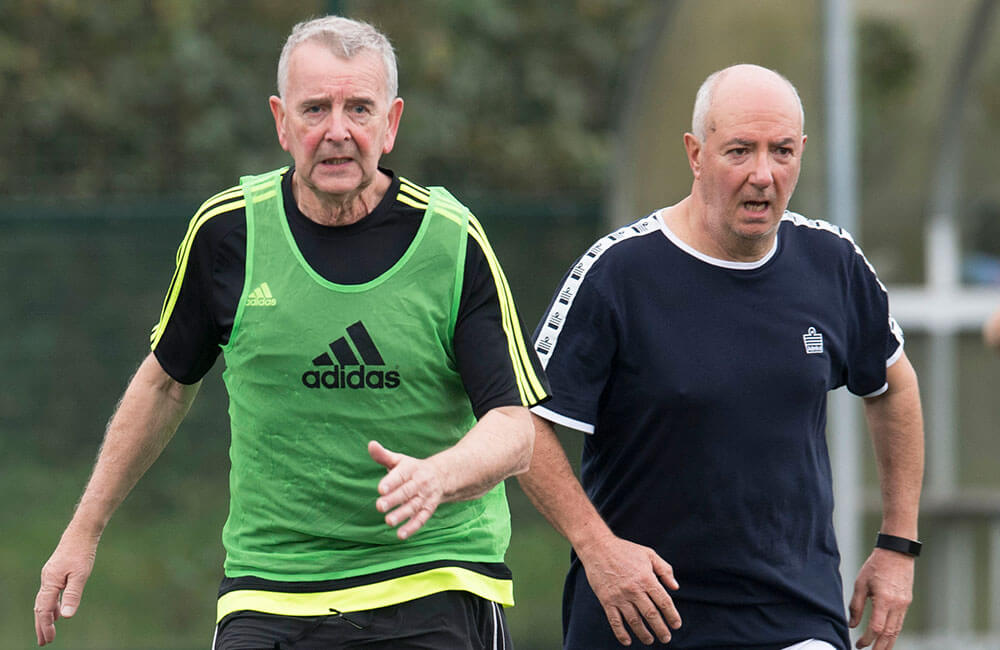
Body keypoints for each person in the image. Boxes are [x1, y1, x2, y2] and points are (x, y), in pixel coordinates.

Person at [34, 15, 549, 649]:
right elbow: (166, 384)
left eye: (359, 108)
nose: (337, 131)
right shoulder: (228, 234)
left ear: (390, 124)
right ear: (282, 122)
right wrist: (82, 531)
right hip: (270, 588)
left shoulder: (450, 239)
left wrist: (438, 476)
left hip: (432, 577)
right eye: (315, 109)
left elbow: (515, 427)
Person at [519, 64, 924, 650]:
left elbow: (894, 387)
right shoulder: (619, 273)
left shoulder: (831, 263)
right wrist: (598, 548)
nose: (763, 174)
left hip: (794, 616)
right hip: (642, 616)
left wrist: (897, 545)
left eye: (782, 151)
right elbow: (524, 424)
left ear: (802, 153)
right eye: (740, 150)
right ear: (696, 153)